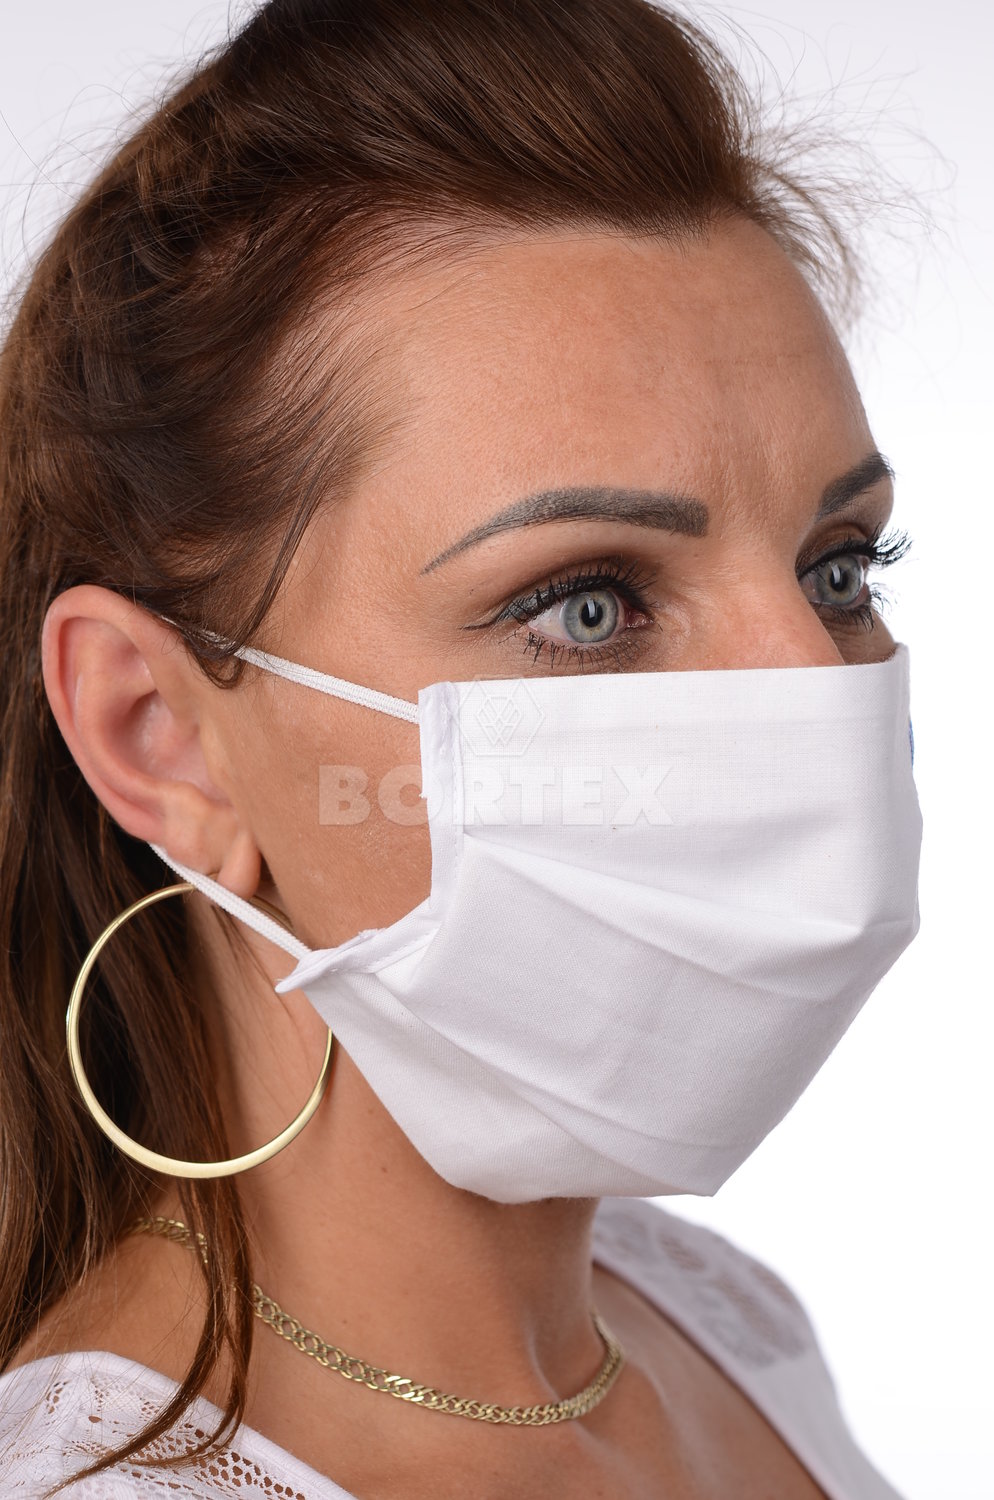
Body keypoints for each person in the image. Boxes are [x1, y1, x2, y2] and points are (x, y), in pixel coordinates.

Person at [0, 0, 923, 1495]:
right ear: (159, 737)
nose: (811, 692)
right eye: (586, 603)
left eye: (836, 569)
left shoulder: (719, 1325)